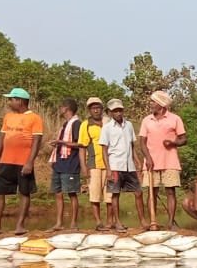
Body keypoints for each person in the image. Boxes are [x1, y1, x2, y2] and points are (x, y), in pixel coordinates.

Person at [0, 88, 43, 236]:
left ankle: (20, 225)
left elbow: (36, 142)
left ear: (20, 101)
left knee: (24, 192)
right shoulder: (8, 117)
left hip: (23, 161)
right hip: (6, 160)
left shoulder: (34, 118)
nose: (9, 102)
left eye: (12, 99)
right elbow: (1, 138)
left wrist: (30, 162)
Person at [137, 90, 187, 231]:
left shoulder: (175, 119)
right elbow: (142, 142)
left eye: (153, 101)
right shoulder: (147, 120)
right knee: (152, 192)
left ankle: (170, 222)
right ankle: (153, 221)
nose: (151, 104)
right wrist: (147, 157)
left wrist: (173, 143)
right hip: (151, 162)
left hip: (170, 161)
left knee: (170, 191)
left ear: (161, 104)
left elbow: (183, 138)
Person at [98, 98, 146, 231]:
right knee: (115, 193)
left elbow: (131, 145)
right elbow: (104, 149)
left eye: (120, 110)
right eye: (115, 111)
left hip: (129, 164)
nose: (118, 113)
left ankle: (143, 221)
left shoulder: (129, 125)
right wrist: (108, 169)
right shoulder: (107, 128)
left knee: (138, 192)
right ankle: (117, 222)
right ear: (110, 112)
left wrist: (136, 160)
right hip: (115, 165)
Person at [47, 98, 83, 231]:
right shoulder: (64, 124)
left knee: (71, 193)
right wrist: (58, 143)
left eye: (61, 107)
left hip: (71, 162)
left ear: (67, 108)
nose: (60, 109)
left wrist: (61, 142)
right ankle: (58, 223)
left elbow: (80, 143)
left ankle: (73, 223)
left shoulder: (76, 124)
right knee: (58, 192)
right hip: (60, 161)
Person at [75, 97, 109, 230]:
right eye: (93, 108)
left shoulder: (108, 123)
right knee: (95, 195)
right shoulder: (85, 125)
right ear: (89, 110)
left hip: (109, 164)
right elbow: (82, 146)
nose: (96, 110)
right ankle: (98, 222)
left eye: (98, 107)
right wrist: (83, 166)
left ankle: (110, 221)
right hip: (93, 163)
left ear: (102, 109)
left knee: (110, 195)